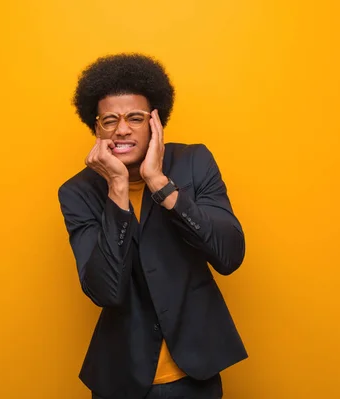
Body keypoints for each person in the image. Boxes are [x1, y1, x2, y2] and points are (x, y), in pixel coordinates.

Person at [58, 53, 247, 399]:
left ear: (155, 121)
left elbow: (230, 255)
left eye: (135, 117)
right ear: (96, 127)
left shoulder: (194, 162)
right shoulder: (77, 192)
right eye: (109, 120)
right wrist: (117, 188)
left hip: (196, 374)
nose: (122, 129)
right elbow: (105, 291)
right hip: (122, 379)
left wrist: (160, 184)